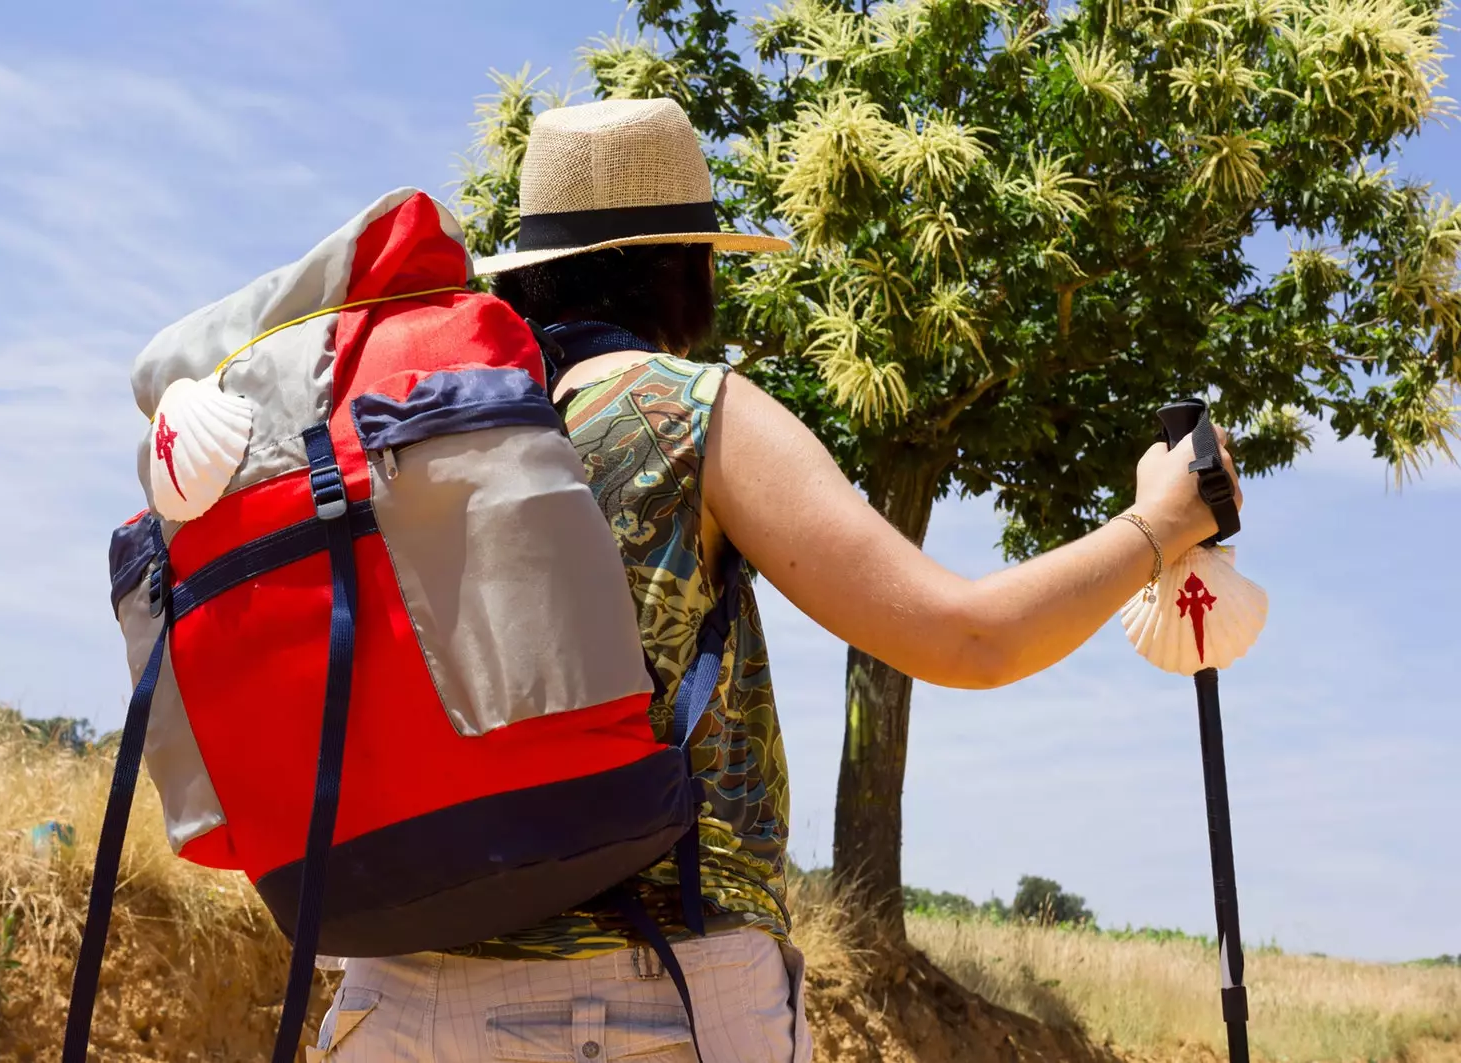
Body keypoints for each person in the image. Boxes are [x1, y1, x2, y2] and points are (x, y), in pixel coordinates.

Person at [309, 97, 1241, 1063]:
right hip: (636, 1007)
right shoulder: (687, 410)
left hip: (388, 1005)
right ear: (686, 263)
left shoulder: (416, 434)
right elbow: (970, 636)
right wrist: (1163, 520)